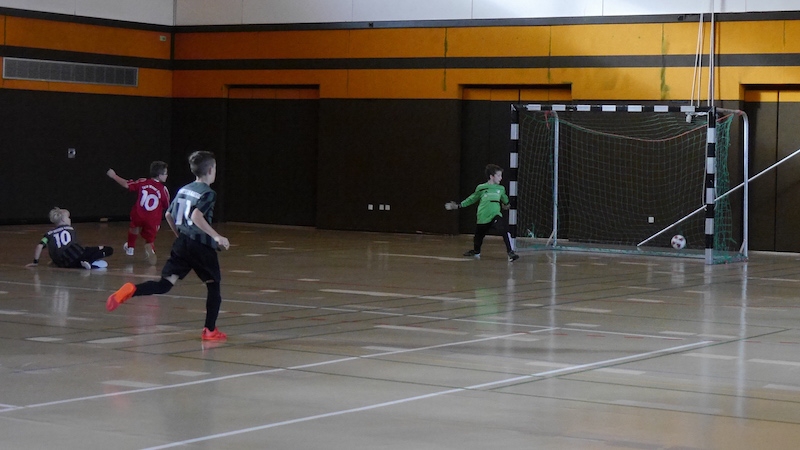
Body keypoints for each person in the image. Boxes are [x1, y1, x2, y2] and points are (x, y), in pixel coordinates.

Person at [106, 151, 230, 341]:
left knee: (164, 285)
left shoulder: (184, 189)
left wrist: (180, 236)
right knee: (214, 287)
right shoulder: (208, 193)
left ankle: (131, 289)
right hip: (201, 247)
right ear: (210, 170)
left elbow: (169, 215)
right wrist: (217, 236)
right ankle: (210, 330)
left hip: (182, 244)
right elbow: (196, 216)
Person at [445, 164, 519, 262]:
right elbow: (472, 198)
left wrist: (507, 205)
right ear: (491, 176)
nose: (501, 178)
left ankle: (510, 252)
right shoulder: (481, 188)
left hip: (495, 215)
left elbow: (505, 200)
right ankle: (476, 251)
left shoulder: (501, 189)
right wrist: (459, 205)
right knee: (478, 237)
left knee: (504, 230)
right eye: (498, 175)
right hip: (483, 216)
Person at [106, 161, 170, 265]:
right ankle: (150, 248)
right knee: (150, 238)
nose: (167, 175)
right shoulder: (163, 189)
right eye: (165, 173)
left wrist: (114, 176)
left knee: (134, 226)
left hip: (138, 214)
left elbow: (127, 184)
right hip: (153, 219)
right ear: (160, 175)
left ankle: (130, 248)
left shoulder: (143, 181)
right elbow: (166, 204)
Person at [26, 207, 113, 269]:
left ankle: (84, 263)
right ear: (63, 220)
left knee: (76, 261)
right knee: (107, 249)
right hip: (75, 254)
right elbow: (74, 245)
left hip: (62, 262)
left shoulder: (48, 234)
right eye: (68, 217)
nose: (70, 219)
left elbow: (40, 246)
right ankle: (89, 260)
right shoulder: (70, 229)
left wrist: (35, 262)